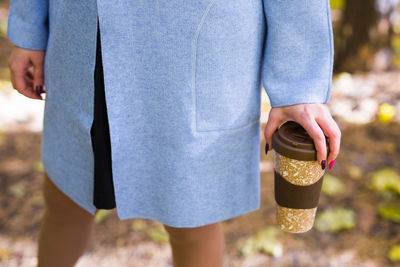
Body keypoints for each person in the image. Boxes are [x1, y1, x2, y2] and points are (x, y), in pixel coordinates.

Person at [6, 0, 341, 266]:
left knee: (193, 220)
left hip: (193, 53)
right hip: (81, 33)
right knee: (66, 200)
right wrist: (29, 23)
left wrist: (300, 83)